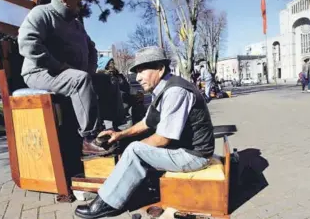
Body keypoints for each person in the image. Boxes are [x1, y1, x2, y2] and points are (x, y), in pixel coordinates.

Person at [75, 46, 215, 219]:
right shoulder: (163, 88)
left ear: (160, 68)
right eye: (136, 72)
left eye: (142, 70)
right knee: (130, 142)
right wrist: (120, 135)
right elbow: (146, 123)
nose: (138, 77)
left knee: (134, 150)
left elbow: (162, 139)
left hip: (194, 156)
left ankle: (107, 203)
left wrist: (131, 151)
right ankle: (131, 188)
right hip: (184, 149)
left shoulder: (175, 91)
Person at [18, 0, 121, 156]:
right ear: (65, 1)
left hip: (71, 74)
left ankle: (113, 131)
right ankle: (90, 138)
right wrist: (58, 66)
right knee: (80, 80)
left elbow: (92, 48)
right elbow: (27, 43)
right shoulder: (42, 13)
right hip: (40, 72)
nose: (82, 6)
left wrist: (90, 70)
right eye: (79, 3)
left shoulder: (76, 24)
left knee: (107, 80)